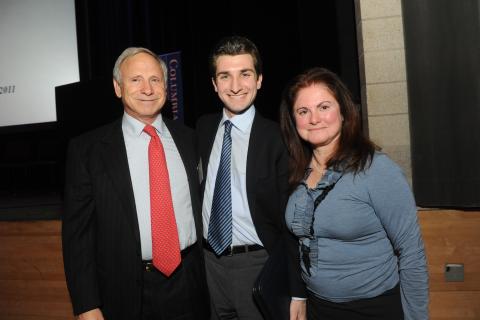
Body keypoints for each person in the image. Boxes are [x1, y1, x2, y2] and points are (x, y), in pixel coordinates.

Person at [62, 47, 209, 320]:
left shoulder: (190, 139)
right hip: (125, 290)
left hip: (191, 281)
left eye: (155, 79)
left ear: (165, 86)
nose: (147, 88)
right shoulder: (88, 150)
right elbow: (77, 237)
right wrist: (86, 304)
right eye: (135, 80)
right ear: (118, 87)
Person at [279, 67, 429, 319]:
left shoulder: (376, 169)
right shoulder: (296, 172)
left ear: (344, 112)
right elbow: (297, 242)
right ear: (294, 122)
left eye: (324, 107)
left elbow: (411, 252)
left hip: (373, 308)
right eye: (303, 112)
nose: (314, 118)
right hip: (318, 308)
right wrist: (300, 295)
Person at [196, 35, 307, 320]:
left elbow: (295, 224)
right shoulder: (203, 128)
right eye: (225, 76)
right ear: (214, 84)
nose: (235, 86)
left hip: (259, 264)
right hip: (208, 265)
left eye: (244, 74)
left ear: (258, 80)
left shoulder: (280, 139)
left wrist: (298, 291)